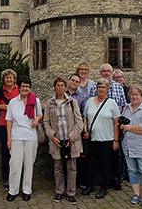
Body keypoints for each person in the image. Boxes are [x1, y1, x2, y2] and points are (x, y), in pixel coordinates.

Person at [44, 77, 83, 205]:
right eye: (58, 85)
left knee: (72, 168)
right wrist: (52, 136)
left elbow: (79, 122)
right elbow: (46, 122)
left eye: (62, 85)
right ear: (55, 87)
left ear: (65, 87)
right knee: (58, 168)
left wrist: (72, 137)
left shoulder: (72, 102)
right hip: (56, 140)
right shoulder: (49, 103)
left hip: (70, 140)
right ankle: (59, 191)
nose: (60, 87)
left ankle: (71, 193)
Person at [89, 63, 127, 190]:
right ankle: (102, 180)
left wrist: (118, 122)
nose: (106, 73)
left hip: (114, 126)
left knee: (115, 155)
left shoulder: (118, 87)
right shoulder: (94, 87)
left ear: (111, 72)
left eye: (108, 71)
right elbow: (91, 106)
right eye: (103, 71)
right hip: (99, 127)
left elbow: (123, 105)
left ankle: (115, 179)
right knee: (100, 158)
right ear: (100, 73)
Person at [82, 78, 120, 199]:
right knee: (90, 163)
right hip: (92, 139)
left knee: (105, 164)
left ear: (107, 90)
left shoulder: (112, 103)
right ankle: (90, 185)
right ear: (96, 89)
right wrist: (86, 131)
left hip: (107, 139)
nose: (101, 89)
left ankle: (104, 187)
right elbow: (85, 118)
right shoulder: (89, 102)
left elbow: (116, 123)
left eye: (103, 87)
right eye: (99, 87)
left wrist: (116, 140)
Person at [6, 77, 43, 202]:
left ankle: (27, 190)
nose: (25, 88)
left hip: (31, 136)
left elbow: (40, 114)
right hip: (16, 136)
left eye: (27, 86)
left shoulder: (35, 100)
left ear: (30, 88)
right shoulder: (13, 102)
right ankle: (13, 190)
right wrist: (9, 139)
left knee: (28, 165)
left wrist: (37, 119)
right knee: (15, 165)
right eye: (23, 86)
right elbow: (9, 121)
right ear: (19, 87)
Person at [120, 86, 142, 208]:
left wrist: (129, 128)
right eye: (132, 95)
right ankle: (136, 194)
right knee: (132, 171)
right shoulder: (127, 108)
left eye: (137, 95)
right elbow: (122, 122)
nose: (134, 97)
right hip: (129, 146)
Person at [0, 69, 19, 191]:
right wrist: (1, 106)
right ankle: (6, 178)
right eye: (6, 78)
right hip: (3, 123)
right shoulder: (0, 92)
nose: (9, 80)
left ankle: (17, 178)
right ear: (4, 79)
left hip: (17, 124)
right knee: (5, 151)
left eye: (11, 77)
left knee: (18, 152)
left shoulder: (19, 90)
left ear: (14, 79)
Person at [112, 69, 130, 183]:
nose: (119, 79)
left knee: (124, 150)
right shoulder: (112, 89)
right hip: (115, 123)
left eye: (120, 77)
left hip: (125, 124)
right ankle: (119, 173)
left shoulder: (128, 91)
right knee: (118, 151)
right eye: (116, 77)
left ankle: (125, 173)